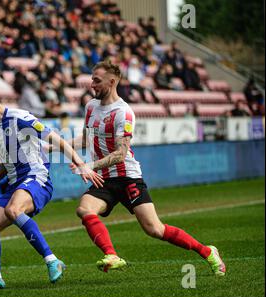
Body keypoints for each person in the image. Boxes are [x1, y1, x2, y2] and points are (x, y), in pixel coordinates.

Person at [67, 60, 226, 276]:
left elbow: (120, 154)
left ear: (112, 81)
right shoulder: (91, 107)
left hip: (127, 177)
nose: (92, 85)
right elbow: (87, 139)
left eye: (97, 80)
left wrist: (89, 165)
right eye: (91, 79)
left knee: (154, 229)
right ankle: (112, 255)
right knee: (84, 210)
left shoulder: (123, 112)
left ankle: (207, 252)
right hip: (103, 178)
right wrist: (57, 146)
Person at [0, 84, 103, 290]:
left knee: (14, 210)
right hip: (15, 184)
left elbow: (59, 141)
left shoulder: (20, 118)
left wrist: (82, 164)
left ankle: (52, 260)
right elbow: (9, 154)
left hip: (36, 178)